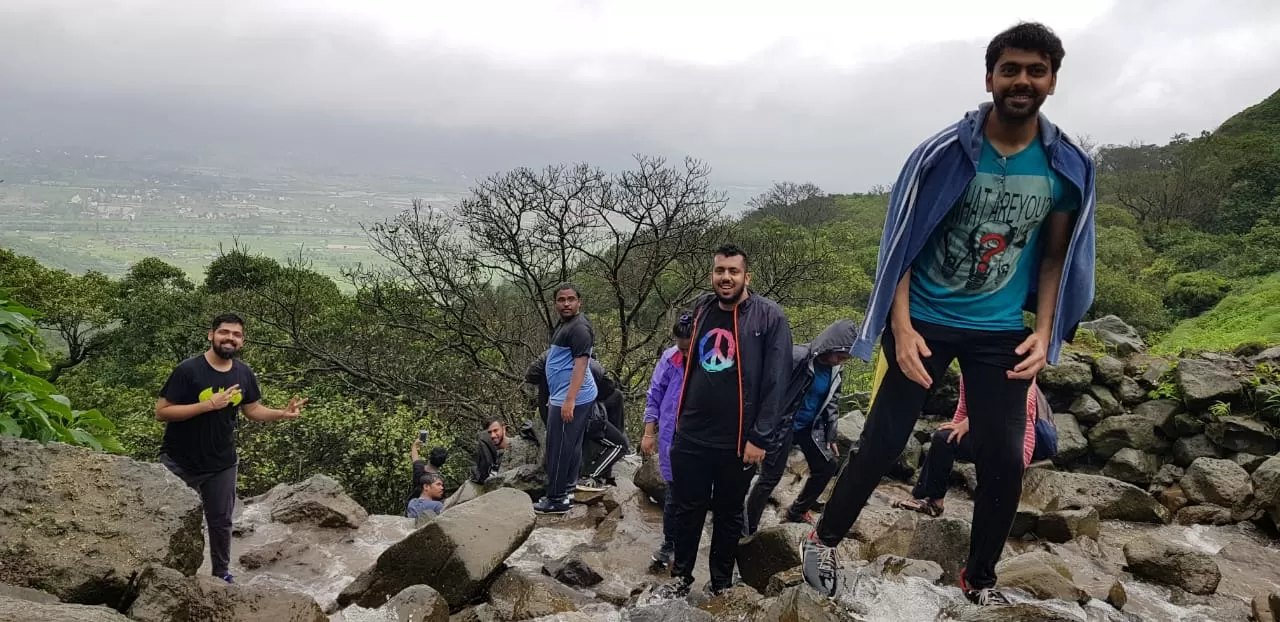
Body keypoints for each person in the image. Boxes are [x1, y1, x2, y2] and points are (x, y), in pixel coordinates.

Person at [800, 22, 1096, 606]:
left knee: (1006, 456)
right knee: (884, 440)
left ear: (1052, 81)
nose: (1022, 80)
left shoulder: (1065, 166)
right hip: (925, 319)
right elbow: (901, 244)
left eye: (1036, 70)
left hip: (1001, 329)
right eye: (1010, 69)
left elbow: (1055, 256)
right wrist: (900, 327)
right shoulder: (944, 153)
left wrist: (1044, 332)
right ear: (990, 77)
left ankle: (979, 581)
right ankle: (824, 538)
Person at [657, 244, 792, 598]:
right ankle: (681, 575)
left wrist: (760, 437)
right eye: (720, 271)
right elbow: (684, 345)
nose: (726, 278)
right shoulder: (702, 307)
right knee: (688, 507)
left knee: (730, 513)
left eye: (733, 271)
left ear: (747, 277)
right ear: (712, 275)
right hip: (692, 433)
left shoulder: (769, 317)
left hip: (738, 439)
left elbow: (776, 381)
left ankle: (719, 581)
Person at [154, 313, 307, 584]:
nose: (230, 338)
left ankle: (221, 573)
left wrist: (282, 414)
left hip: (222, 462)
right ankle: (166, 576)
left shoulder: (243, 373)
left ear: (242, 342)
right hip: (180, 460)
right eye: (224, 332)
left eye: (236, 335)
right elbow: (162, 412)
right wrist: (207, 405)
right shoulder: (188, 370)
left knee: (221, 522)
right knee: (171, 521)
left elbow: (252, 409)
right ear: (211, 335)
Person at [743, 319, 857, 536]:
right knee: (770, 477)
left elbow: (832, 401)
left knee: (826, 466)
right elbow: (769, 390)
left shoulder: (835, 370)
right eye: (840, 356)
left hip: (808, 427)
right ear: (829, 346)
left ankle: (797, 510)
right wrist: (760, 432)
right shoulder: (798, 358)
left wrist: (831, 433)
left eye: (846, 359)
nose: (842, 362)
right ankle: (748, 530)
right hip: (782, 425)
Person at [895, 376, 1055, 517]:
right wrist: (954, 427)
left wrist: (971, 421)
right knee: (943, 438)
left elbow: (1015, 408)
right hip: (982, 438)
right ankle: (932, 501)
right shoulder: (969, 370)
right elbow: (963, 409)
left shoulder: (1020, 366)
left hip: (1012, 444)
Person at [534, 283, 599, 514]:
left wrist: (568, 400)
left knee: (559, 448)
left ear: (579, 302)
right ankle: (569, 489)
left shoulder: (579, 328)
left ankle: (557, 498)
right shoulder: (567, 324)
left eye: (571, 299)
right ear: (555, 303)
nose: (566, 303)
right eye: (561, 300)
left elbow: (581, 365)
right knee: (570, 445)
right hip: (566, 395)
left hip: (573, 397)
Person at [525, 348, 628, 491]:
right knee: (620, 444)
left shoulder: (550, 356)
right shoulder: (590, 364)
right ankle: (591, 475)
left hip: (551, 416)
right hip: (580, 418)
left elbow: (530, 376)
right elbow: (608, 389)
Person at [642, 313, 695, 568]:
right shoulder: (670, 358)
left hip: (699, 436)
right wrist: (648, 433)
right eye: (681, 346)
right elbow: (655, 395)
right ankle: (669, 543)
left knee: (696, 494)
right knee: (674, 492)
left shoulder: (710, 361)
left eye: (689, 348)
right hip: (670, 434)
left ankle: (689, 545)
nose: (684, 353)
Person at [471, 417, 508, 485]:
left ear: (504, 428)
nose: (493, 435)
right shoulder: (488, 454)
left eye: (495, 430)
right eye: (489, 432)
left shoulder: (518, 446)